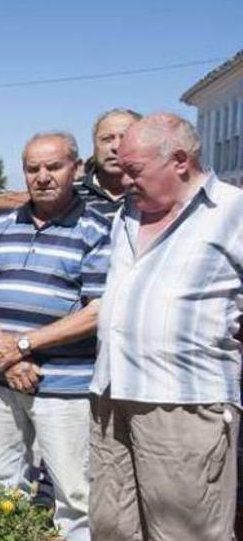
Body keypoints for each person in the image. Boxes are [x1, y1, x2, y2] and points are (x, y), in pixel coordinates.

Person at [90, 113, 243, 540]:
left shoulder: (233, 211)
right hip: (111, 395)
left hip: (184, 405)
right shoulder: (126, 213)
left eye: (134, 171)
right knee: (112, 526)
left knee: (185, 533)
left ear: (179, 161)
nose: (124, 182)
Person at [0, 132, 111, 540]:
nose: (42, 177)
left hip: (64, 386)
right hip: (1, 378)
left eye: (53, 167)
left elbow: (97, 310)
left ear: (76, 169)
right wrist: (5, 351)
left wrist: (25, 344)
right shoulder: (3, 224)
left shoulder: (96, 230)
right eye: (33, 169)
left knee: (73, 493)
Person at [76, 108, 141, 221]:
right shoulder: (70, 195)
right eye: (107, 139)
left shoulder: (156, 195)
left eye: (125, 138)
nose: (115, 147)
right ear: (94, 145)